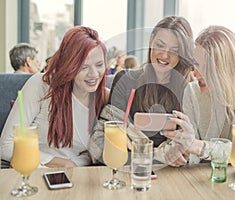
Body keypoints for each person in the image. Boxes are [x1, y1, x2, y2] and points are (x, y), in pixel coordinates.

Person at [0, 26, 109, 168]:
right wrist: (61, 163)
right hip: (31, 170)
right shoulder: (41, 85)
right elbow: (6, 146)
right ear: (69, 66)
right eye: (83, 67)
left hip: (75, 174)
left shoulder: (105, 97)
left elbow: (92, 153)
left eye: (99, 65)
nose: (94, 74)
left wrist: (73, 165)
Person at [162, 25, 235, 163]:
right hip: (208, 173)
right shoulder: (191, 91)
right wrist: (182, 155)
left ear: (224, 67)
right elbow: (192, 149)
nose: (194, 74)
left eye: (204, 67)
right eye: (195, 64)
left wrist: (196, 146)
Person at [106, 16, 195, 167]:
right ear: (151, 41)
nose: (165, 55)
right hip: (131, 170)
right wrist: (159, 156)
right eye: (160, 45)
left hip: (174, 175)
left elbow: (188, 147)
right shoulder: (125, 81)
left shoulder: (189, 90)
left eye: (174, 50)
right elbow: (111, 139)